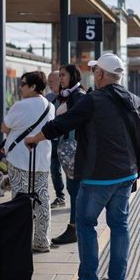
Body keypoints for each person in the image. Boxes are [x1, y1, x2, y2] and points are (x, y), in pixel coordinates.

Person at [25, 53, 140, 280]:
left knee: (85, 223)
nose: (93, 74)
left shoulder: (92, 100)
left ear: (101, 74)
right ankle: (117, 279)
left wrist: (34, 138)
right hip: (127, 175)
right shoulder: (135, 100)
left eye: (95, 71)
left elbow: (61, 124)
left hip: (98, 177)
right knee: (119, 225)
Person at [1, 71, 55, 252]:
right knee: (42, 199)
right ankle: (41, 240)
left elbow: (4, 127)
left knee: (19, 199)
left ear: (33, 86)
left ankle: (20, 241)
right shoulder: (50, 106)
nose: (20, 87)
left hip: (19, 159)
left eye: (23, 83)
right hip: (41, 160)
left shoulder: (20, 105)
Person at [51, 64, 86, 245]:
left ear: (73, 75)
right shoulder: (71, 96)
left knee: (75, 189)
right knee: (73, 189)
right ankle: (75, 227)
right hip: (70, 149)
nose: (60, 78)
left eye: (63, 75)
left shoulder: (78, 96)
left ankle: (74, 228)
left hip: (75, 149)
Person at [45, 71, 66, 209]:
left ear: (60, 80)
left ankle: (75, 195)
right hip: (52, 140)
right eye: (49, 81)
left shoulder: (68, 97)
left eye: (52, 81)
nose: (50, 83)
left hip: (65, 139)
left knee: (71, 169)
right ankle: (60, 196)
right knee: (54, 169)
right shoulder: (48, 97)